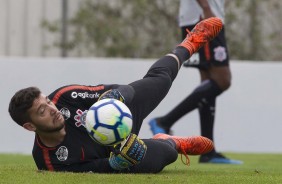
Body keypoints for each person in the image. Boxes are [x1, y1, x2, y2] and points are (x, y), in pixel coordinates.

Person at [8, 18, 223, 173]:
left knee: (160, 79)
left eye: (47, 102)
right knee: (166, 156)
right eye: (42, 111)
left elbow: (124, 89)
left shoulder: (65, 96)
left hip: (122, 110)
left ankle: (189, 43)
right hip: (120, 150)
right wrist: (117, 163)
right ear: (30, 126)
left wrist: (114, 97)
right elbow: (94, 169)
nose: (52, 109)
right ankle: (171, 142)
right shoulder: (48, 160)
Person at [149, 0, 243, 164]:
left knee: (208, 82)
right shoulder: (205, 10)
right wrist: (206, 7)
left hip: (205, 16)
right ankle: (164, 121)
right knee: (223, 80)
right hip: (203, 17)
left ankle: (208, 151)